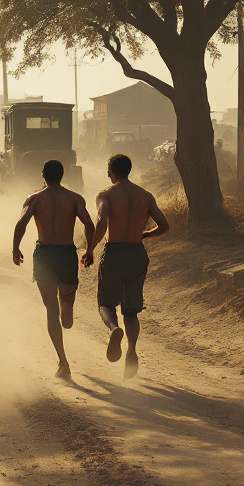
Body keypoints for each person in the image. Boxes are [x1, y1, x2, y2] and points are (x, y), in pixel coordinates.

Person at [82, 154, 169, 378]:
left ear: (111, 170)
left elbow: (101, 221)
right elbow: (164, 225)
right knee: (131, 310)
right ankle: (131, 351)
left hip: (115, 252)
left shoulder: (106, 195)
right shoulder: (145, 195)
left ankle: (113, 329)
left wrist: (91, 249)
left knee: (106, 303)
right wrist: (146, 234)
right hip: (137, 253)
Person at [12, 160, 95, 378]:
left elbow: (21, 223)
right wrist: (89, 249)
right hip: (67, 253)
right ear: (62, 174)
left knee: (51, 311)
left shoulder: (35, 199)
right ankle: (67, 303)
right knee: (66, 305)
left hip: (45, 254)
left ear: (43, 176)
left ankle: (63, 362)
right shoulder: (75, 199)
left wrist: (15, 248)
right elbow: (89, 224)